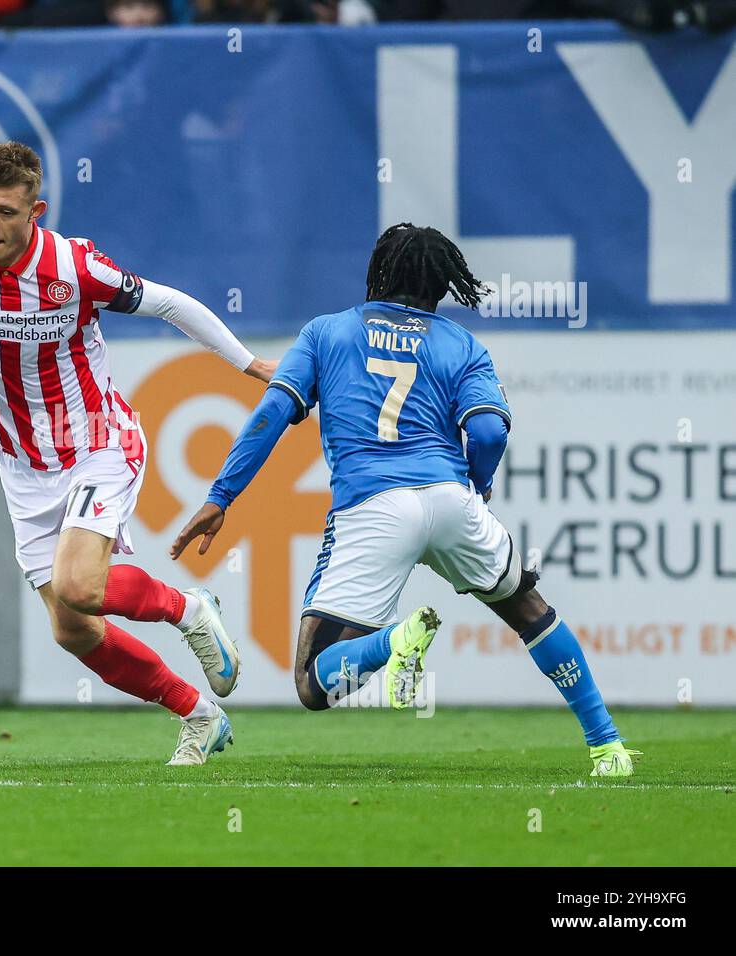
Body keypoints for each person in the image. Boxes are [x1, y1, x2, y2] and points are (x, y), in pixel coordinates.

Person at [0, 142, 276, 765]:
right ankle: (199, 715)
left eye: (6, 212)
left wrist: (249, 364)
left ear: (34, 210)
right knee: (72, 628)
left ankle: (190, 609)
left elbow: (170, 302)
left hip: (98, 445)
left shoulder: (74, 266)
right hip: (23, 469)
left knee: (78, 585)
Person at [171, 223, 641, 778]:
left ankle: (394, 642)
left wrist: (221, 495)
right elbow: (489, 432)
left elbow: (272, 415)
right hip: (449, 499)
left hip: (373, 508)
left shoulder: (327, 333)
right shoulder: (462, 344)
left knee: (312, 680)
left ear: (378, 273)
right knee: (529, 611)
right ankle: (606, 745)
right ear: (441, 285)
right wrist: (478, 486)